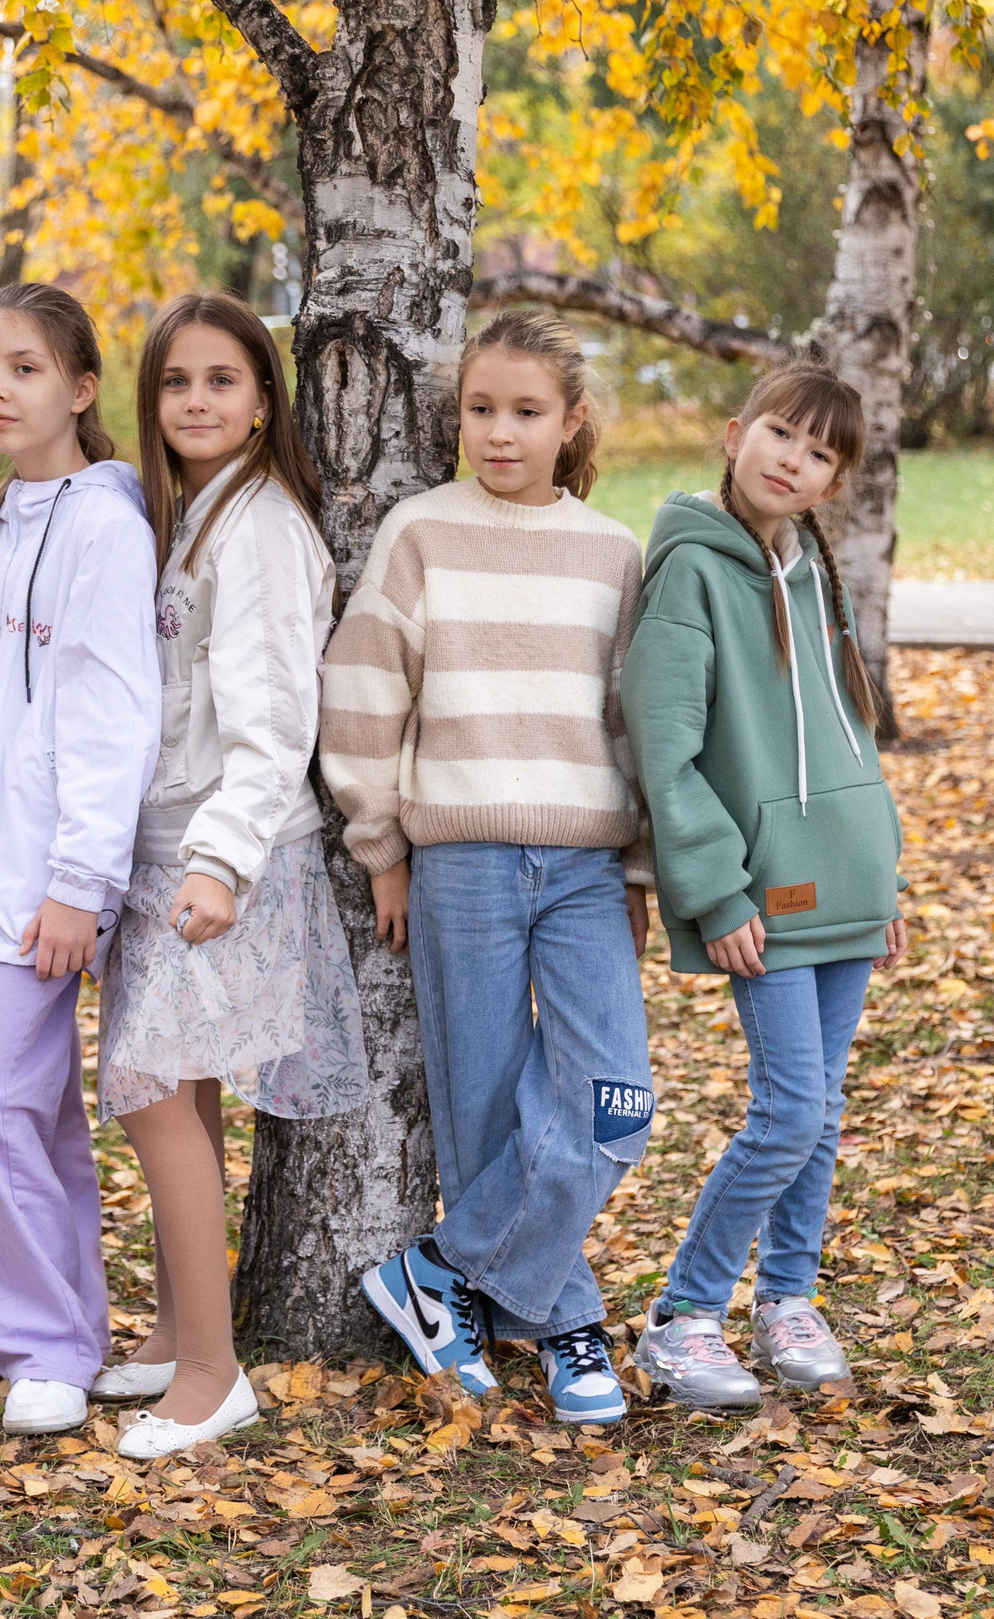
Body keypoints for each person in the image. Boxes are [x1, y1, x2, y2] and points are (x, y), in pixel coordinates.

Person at [323, 309, 654, 1427]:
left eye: (525, 411)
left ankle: (437, 1268)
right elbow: (365, 685)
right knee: (482, 1109)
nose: (499, 433)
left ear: (571, 422)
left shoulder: (612, 550)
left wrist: (641, 870)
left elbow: (635, 721)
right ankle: (561, 1322)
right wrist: (379, 846)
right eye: (480, 410)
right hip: (457, 858)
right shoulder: (421, 531)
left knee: (613, 1103)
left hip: (583, 867)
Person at [94, 290, 370, 1459]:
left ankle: (214, 1377)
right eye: (175, 381)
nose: (196, 400)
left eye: (221, 380)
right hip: (164, 847)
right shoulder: (184, 517)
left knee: (150, 1084)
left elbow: (273, 723)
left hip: (231, 857)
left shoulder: (255, 525)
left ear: (264, 400)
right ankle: (177, 1334)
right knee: (185, 1091)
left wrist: (218, 863)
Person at [619, 361, 908, 1409]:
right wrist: (716, 887)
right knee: (788, 1109)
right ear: (736, 431)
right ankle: (682, 1316)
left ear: (834, 481)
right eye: (782, 433)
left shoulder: (811, 570)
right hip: (762, 890)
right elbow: (664, 747)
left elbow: (844, 731)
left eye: (820, 452)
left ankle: (787, 1300)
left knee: (820, 1111)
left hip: (843, 881)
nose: (793, 459)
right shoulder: (690, 571)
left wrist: (880, 880)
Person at [0, 282, 161, 1436]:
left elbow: (114, 714)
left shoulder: (106, 526)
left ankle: (48, 1345)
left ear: (79, 389)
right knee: (36, 1113)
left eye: (24, 369)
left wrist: (79, 884)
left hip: (50, 886)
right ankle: (54, 1315)